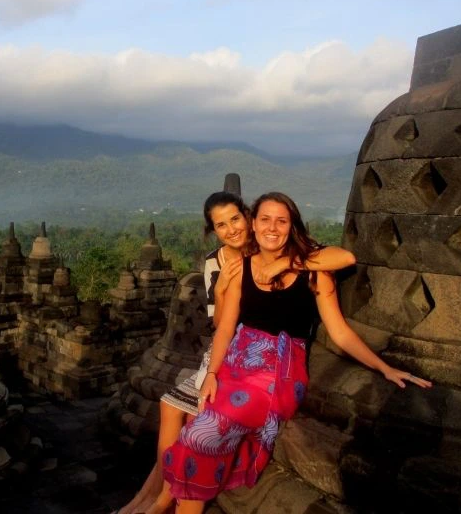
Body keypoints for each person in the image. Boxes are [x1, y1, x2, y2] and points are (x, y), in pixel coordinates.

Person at [161, 192, 432, 514]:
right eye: (265, 219)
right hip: (236, 365)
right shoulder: (241, 268)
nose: (272, 228)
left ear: (292, 226)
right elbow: (225, 329)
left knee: (201, 437)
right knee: (193, 427)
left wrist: (384, 367)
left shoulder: (313, 269)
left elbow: (340, 326)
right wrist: (212, 375)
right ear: (253, 223)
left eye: (282, 221)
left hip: (277, 372)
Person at [118, 191, 356, 514]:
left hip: (263, 363)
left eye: (235, 219)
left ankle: (160, 500)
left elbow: (339, 258)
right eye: (221, 225)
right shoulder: (219, 263)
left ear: (248, 218)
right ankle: (154, 499)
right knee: (172, 408)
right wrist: (220, 291)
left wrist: (285, 262)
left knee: (195, 424)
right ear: (214, 230)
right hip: (229, 353)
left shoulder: (274, 240)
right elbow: (221, 324)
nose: (231, 229)